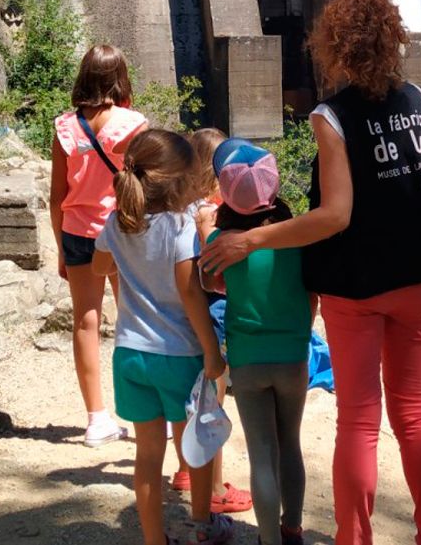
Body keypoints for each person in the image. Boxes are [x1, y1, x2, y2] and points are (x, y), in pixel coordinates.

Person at [200, 0, 421, 545]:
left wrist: (253, 240)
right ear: (393, 39)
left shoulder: (330, 116)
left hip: (354, 286)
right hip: (417, 278)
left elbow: (335, 215)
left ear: (336, 47)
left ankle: (354, 538)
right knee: (414, 414)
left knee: (361, 420)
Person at [91, 128, 234, 545]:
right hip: (179, 354)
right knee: (194, 446)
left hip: (130, 354)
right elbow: (190, 291)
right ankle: (203, 529)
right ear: (178, 181)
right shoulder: (179, 226)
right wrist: (212, 351)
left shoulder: (119, 223)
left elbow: (100, 267)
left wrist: (129, 264)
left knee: (147, 456)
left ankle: (155, 539)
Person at [206, 139, 313, 545]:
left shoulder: (220, 242)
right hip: (292, 356)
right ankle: (294, 530)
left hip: (248, 361)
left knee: (262, 454)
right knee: (291, 444)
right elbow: (311, 295)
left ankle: (268, 540)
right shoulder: (298, 237)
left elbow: (210, 283)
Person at [50, 44, 148, 447]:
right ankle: (144, 415)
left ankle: (96, 419)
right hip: (123, 232)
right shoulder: (134, 124)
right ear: (120, 78)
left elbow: (57, 196)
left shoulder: (65, 128)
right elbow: (146, 187)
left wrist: (59, 247)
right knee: (136, 321)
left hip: (77, 232)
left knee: (85, 323)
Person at [168, 128, 253, 515]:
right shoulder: (212, 210)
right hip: (214, 312)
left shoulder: (177, 206)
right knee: (211, 402)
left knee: (188, 395)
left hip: (181, 313)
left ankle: (187, 470)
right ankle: (216, 489)